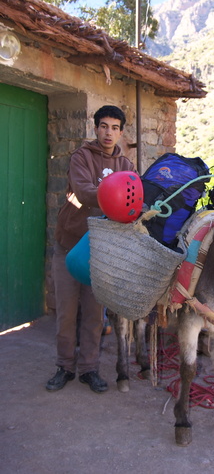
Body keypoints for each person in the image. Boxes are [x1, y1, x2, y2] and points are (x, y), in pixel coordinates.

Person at [46, 105, 135, 393]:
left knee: (95, 315)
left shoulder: (127, 166)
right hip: (71, 245)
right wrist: (120, 196)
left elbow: (135, 199)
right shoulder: (81, 157)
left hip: (100, 250)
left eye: (114, 127)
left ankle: (88, 369)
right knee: (67, 312)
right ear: (95, 129)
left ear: (121, 132)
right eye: (104, 126)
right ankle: (64, 366)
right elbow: (83, 192)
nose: (109, 132)